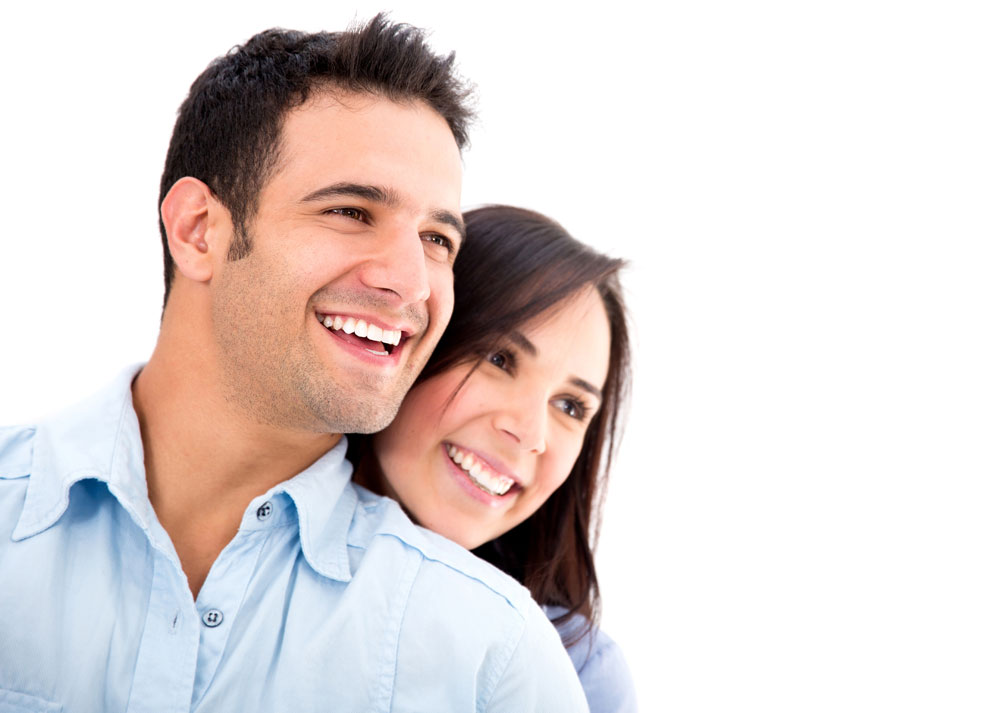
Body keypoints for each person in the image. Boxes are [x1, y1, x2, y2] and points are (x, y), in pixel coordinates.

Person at [0, 18, 588, 712]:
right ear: (198, 230)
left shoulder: (493, 658)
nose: (412, 282)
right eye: (350, 210)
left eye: (436, 238)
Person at [352, 205, 639, 713]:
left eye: (570, 406)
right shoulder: (236, 545)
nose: (530, 434)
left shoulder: (575, 670)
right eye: (499, 358)